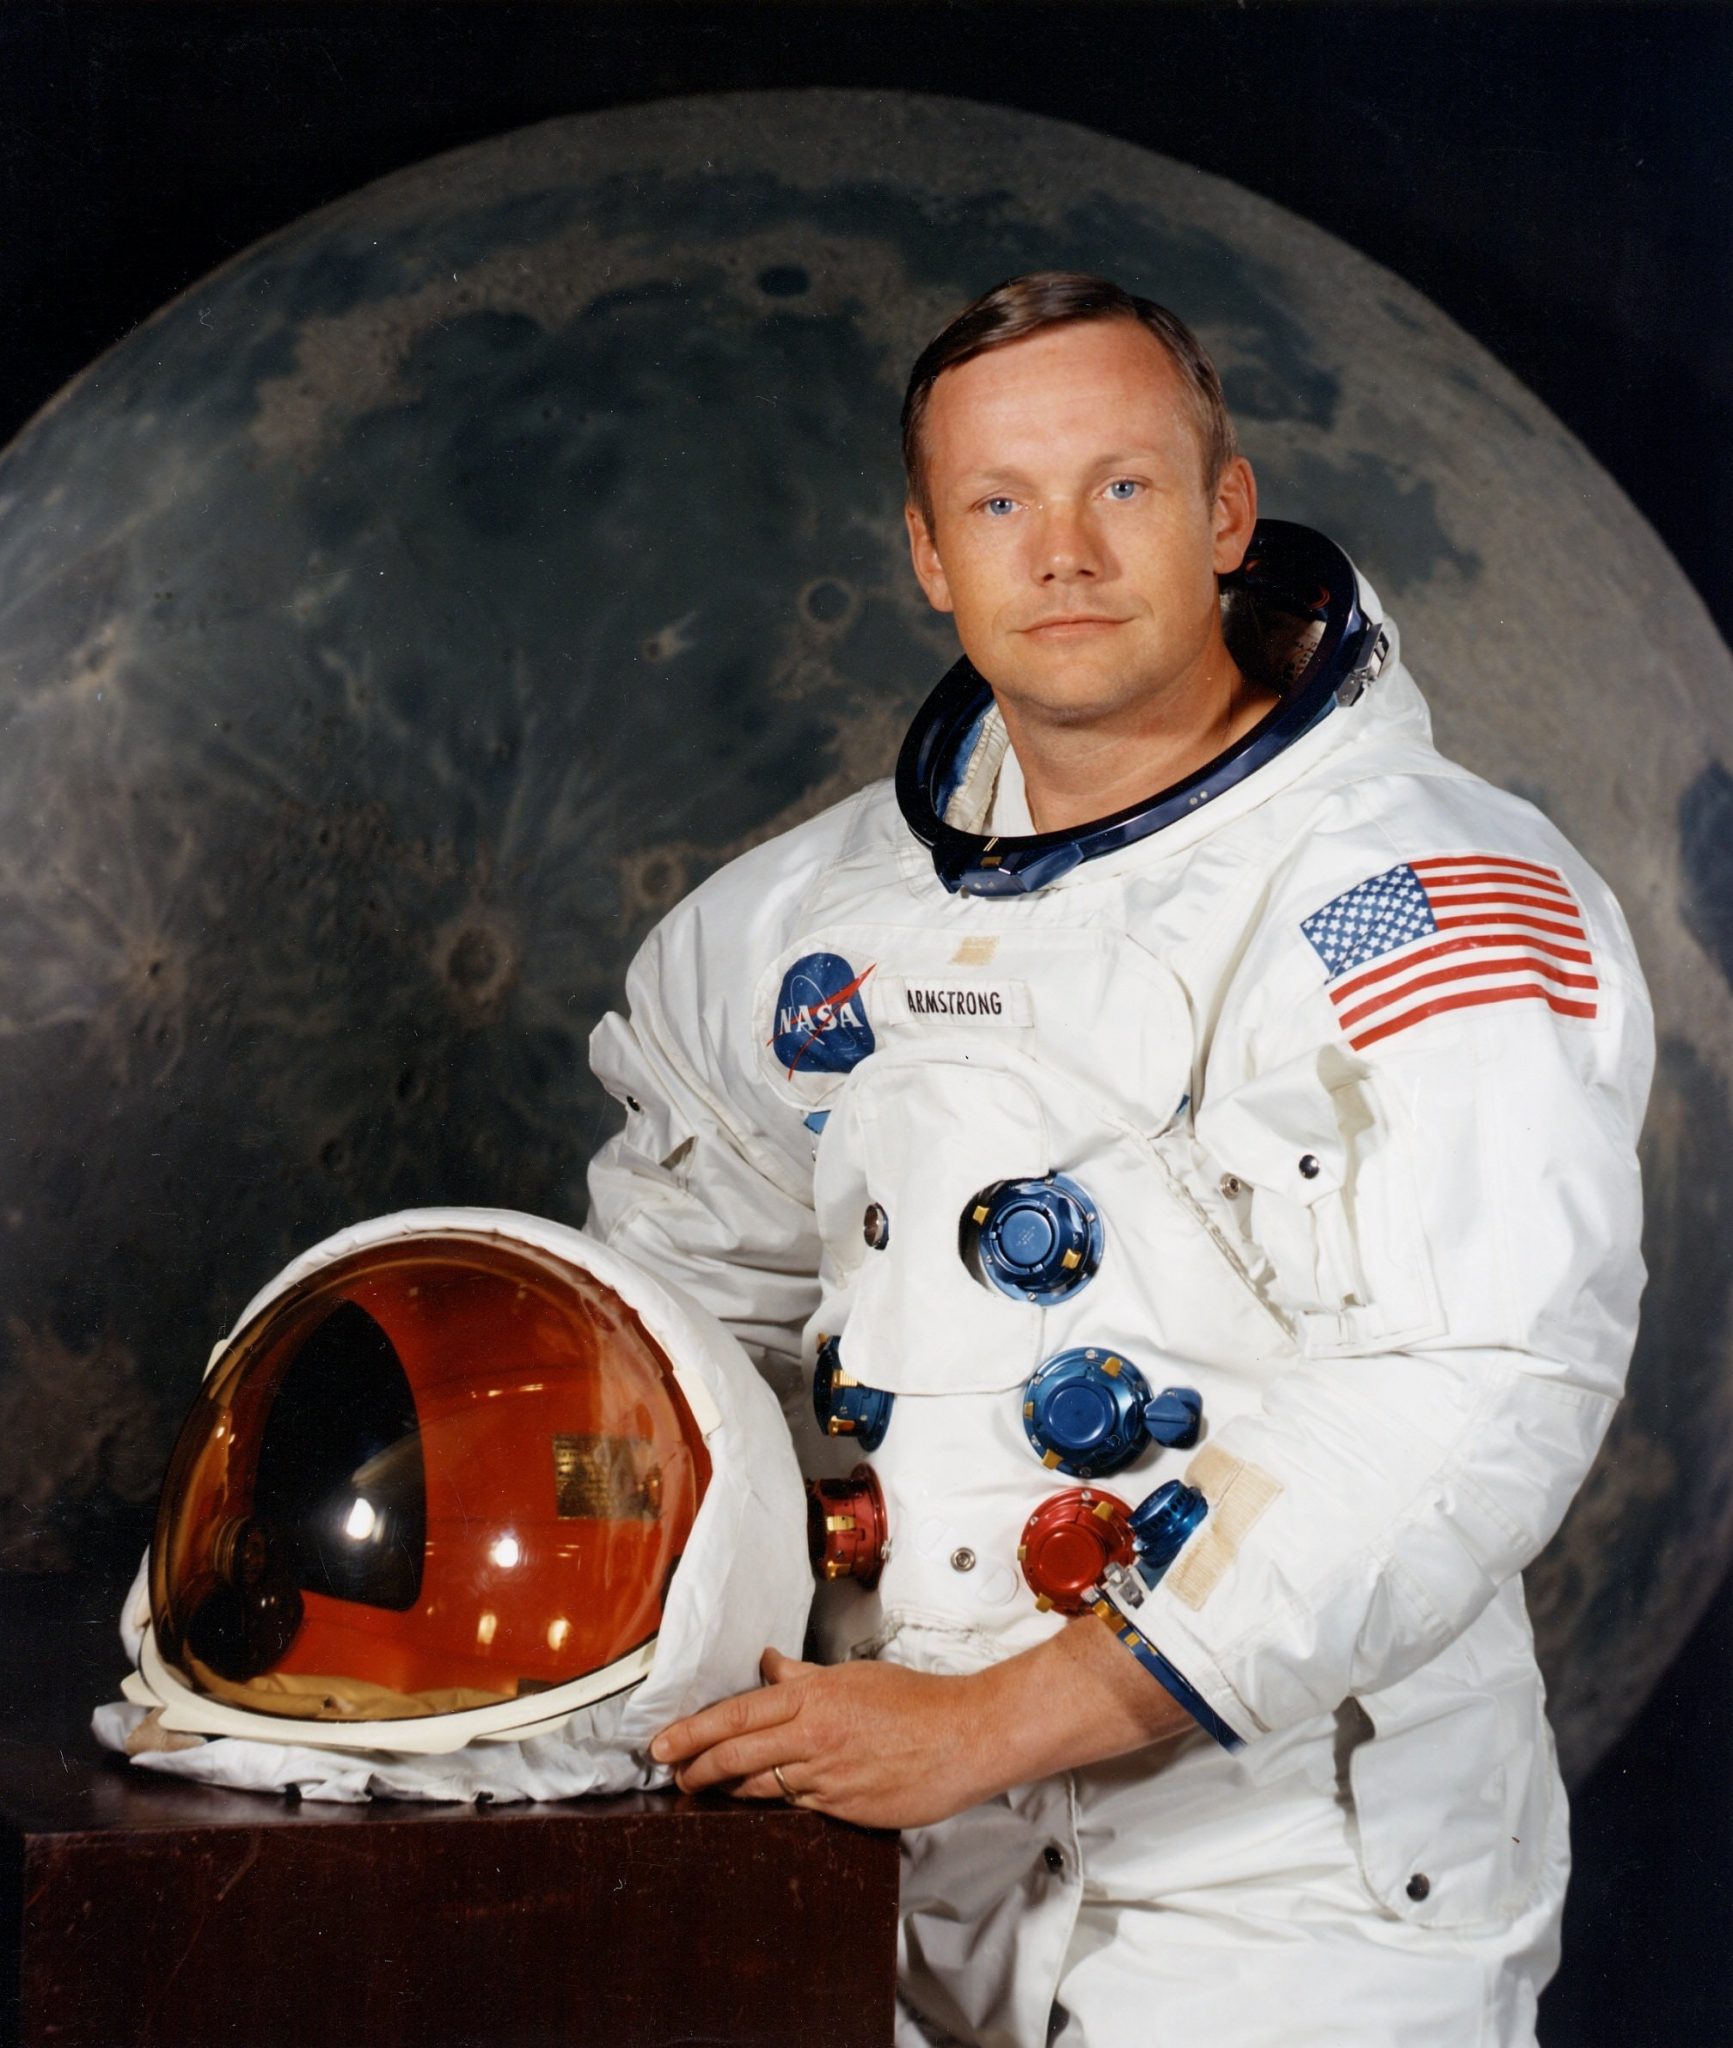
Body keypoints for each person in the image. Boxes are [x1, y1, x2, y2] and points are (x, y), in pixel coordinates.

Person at [585, 273, 1652, 2047]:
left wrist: (997, 1716)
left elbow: (1467, 1394)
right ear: (930, 554)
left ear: (1226, 514)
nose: (1060, 552)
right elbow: (669, 1361)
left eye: (1122, 488)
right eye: (999, 503)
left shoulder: (1421, 899)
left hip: (1288, 1883)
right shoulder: (788, 932)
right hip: (904, 1859)